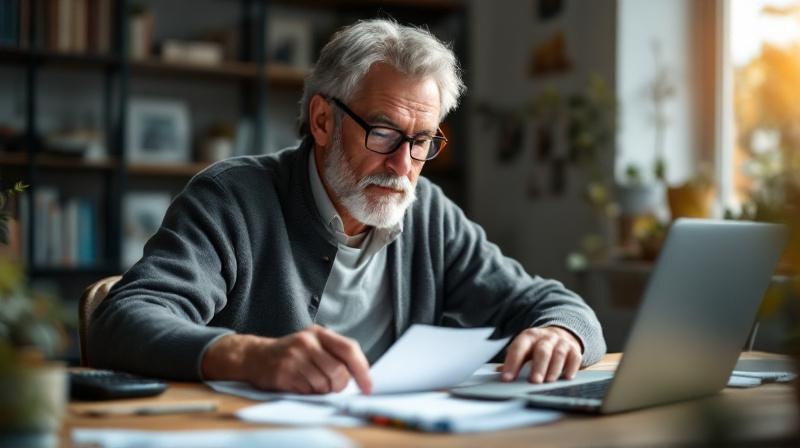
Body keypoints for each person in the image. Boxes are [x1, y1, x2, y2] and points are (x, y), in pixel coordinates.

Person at [89, 19, 605, 395]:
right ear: (322, 121)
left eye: (422, 140)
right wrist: (250, 356)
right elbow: (125, 318)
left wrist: (561, 333)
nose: (404, 164)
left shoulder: (429, 214)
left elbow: (553, 304)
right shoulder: (233, 198)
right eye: (383, 133)